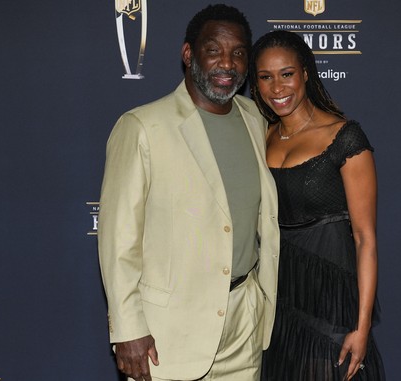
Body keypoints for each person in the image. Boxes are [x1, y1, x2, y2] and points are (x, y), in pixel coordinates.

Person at [98, 5, 280, 381]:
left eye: (239, 53)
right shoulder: (142, 127)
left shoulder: (255, 118)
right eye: (214, 50)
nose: (227, 63)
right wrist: (128, 329)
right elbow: (118, 240)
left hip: (244, 329)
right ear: (188, 54)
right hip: (167, 337)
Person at [249, 31, 385, 380]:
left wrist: (362, 326)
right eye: (265, 77)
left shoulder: (345, 137)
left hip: (332, 306)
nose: (277, 88)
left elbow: (365, 239)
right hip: (278, 300)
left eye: (287, 74)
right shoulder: (259, 137)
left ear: (306, 73)